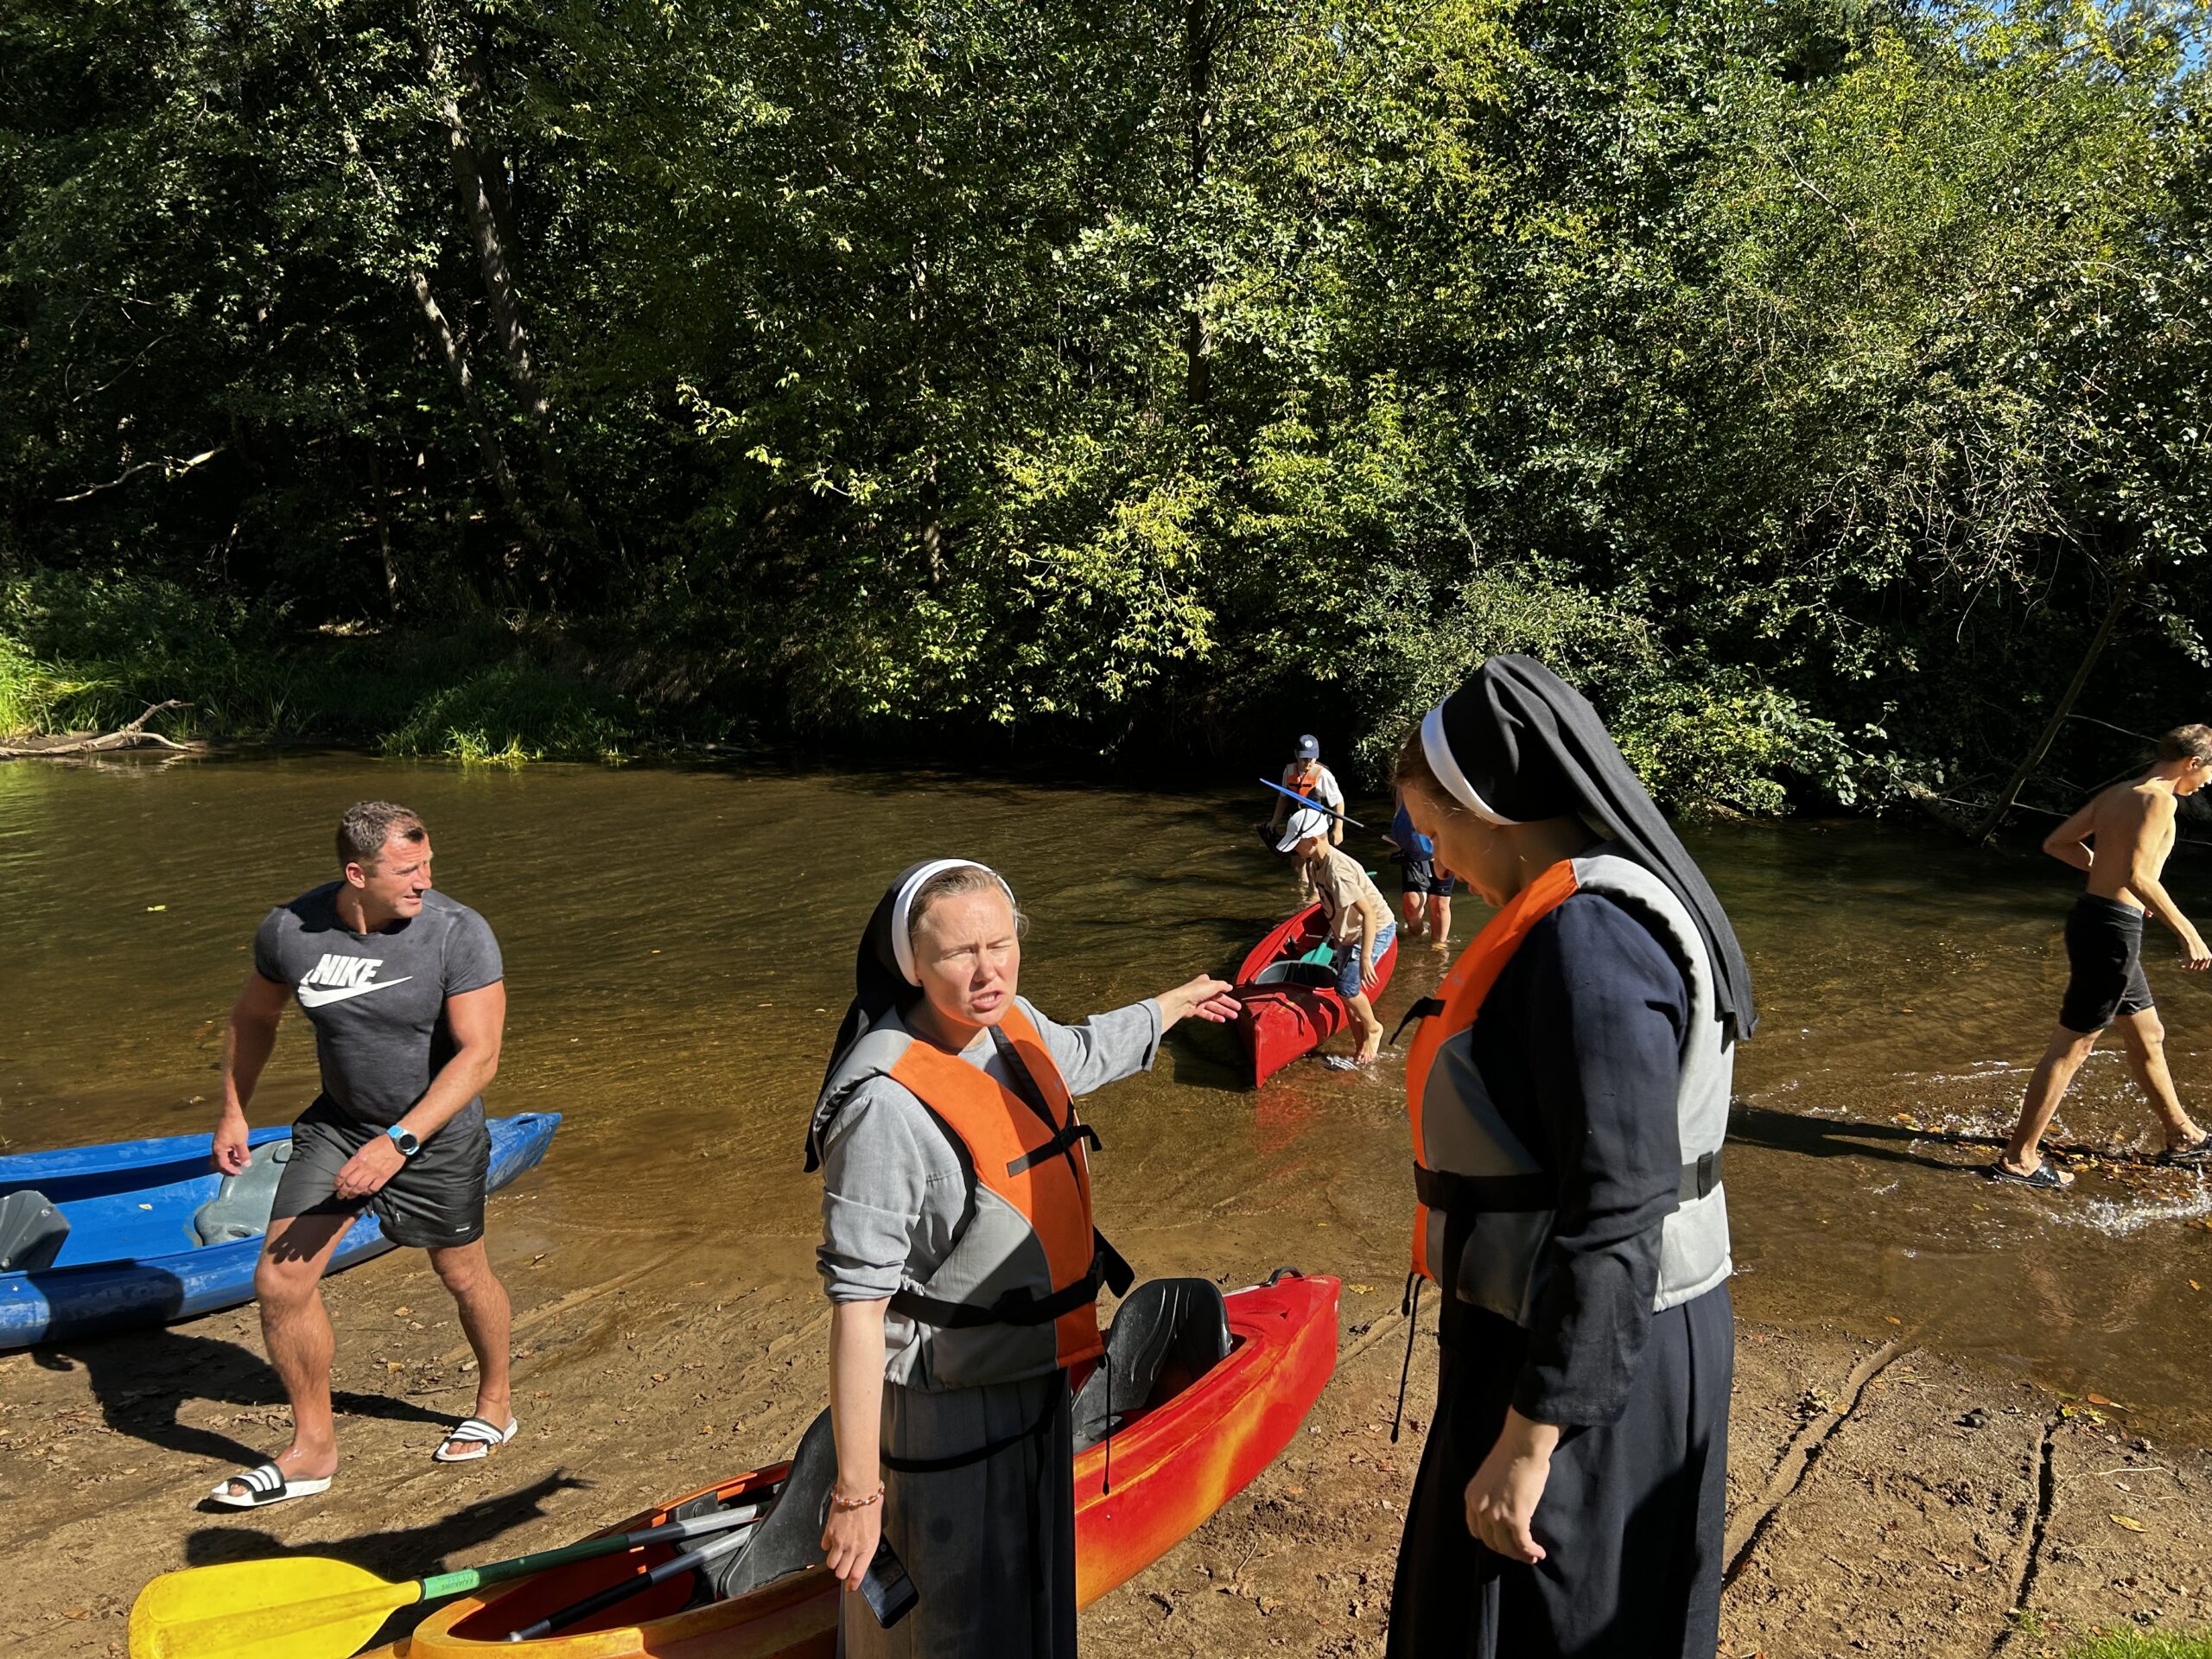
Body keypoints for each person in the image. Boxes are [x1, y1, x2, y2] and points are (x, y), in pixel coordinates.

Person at [1388, 655, 1755, 1659]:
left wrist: (1532, 1433)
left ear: (1492, 808)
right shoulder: (1593, 901)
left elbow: (1620, 1203)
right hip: (1585, 1326)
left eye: (1438, 828)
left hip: (1591, 1348)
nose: (1437, 856)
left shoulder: (1588, 938)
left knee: (1554, 1622)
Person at [808, 860, 1241, 1657]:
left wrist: (1176, 1002)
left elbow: (1080, 1051)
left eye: (1001, 945)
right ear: (911, 964)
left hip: (1035, 1375)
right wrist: (858, 1493)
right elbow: (859, 1310)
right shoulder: (881, 1106)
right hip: (946, 1405)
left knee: (1034, 1602)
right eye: (958, 953)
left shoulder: (1012, 1026)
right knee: (951, 1625)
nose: (987, 970)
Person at [205, 801, 514, 1507]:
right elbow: (253, 1018)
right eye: (407, 871)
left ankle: (495, 1401)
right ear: (356, 873)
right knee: (281, 1281)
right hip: (339, 1125)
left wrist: (399, 1142)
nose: (425, 882)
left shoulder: (458, 933)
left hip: (433, 1132)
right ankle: (313, 1449)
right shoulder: (291, 930)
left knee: (461, 1273)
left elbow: (480, 1056)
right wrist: (233, 1110)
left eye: (428, 865)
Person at [1991, 725, 2212, 1187]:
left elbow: (2058, 843)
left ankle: (2182, 1134)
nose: (2209, 782)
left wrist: (2109, 872)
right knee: (2074, 1045)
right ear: (2193, 762)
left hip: (2096, 920)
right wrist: (2187, 931)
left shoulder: (2118, 793)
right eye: (2209, 771)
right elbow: (2138, 874)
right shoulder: (2160, 800)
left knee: (2149, 1033)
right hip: (2111, 931)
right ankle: (2019, 1159)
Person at [1281, 806, 1395, 1063]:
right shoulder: (1315, 864)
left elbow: (1370, 915)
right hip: (1347, 933)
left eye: (1296, 844)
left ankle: (1374, 1028)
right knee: (1347, 996)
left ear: (1313, 841)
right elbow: (1325, 902)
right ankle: (1359, 1052)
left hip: (1374, 929)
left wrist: (1365, 957)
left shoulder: (1337, 871)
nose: (1294, 850)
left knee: (1346, 988)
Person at [1387, 795, 1455, 949]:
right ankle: (1416, 936)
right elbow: (1402, 796)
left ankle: (1439, 948)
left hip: (1446, 842)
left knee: (1439, 903)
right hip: (1415, 841)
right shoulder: (1411, 774)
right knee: (1412, 903)